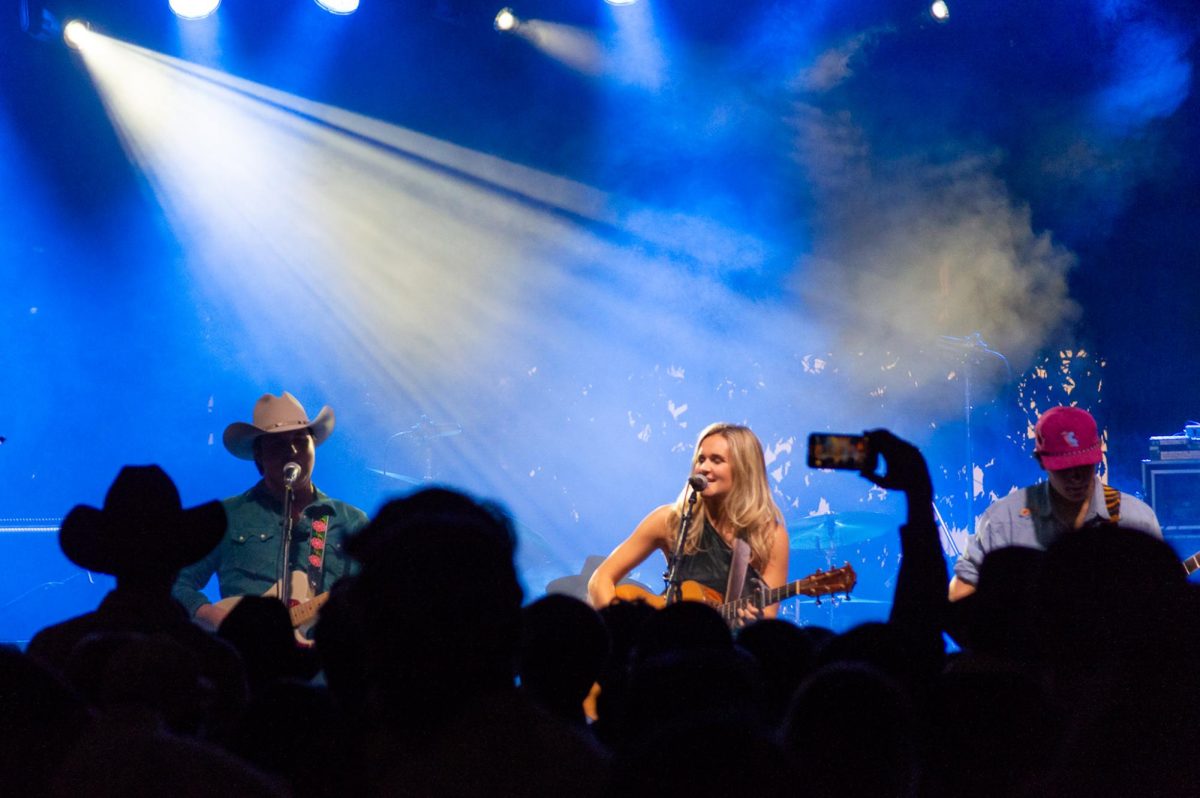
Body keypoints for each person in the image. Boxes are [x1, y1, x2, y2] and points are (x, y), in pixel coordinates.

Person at [172, 392, 369, 632]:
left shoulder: (351, 521)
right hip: (246, 661)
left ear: (313, 446)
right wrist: (221, 621)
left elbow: (373, 596)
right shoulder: (227, 515)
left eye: (300, 439)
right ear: (259, 454)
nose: (293, 450)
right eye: (279, 443)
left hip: (324, 662)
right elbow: (175, 582)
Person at [949, 405, 1162, 601]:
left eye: (1084, 464)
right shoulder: (1002, 521)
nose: (1075, 476)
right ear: (1041, 460)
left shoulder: (1136, 519)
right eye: (1064, 466)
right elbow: (960, 595)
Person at [587, 422, 789, 621]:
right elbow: (600, 580)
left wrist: (749, 622)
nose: (704, 468)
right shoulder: (671, 520)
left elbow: (767, 617)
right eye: (701, 459)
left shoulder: (769, 535)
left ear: (744, 470)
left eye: (716, 460)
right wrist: (618, 631)